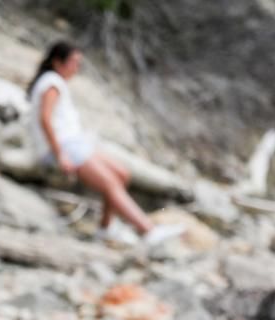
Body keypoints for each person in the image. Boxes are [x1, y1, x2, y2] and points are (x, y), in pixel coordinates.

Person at [27, 41, 183, 246]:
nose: (77, 67)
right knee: (110, 182)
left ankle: (106, 227)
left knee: (122, 174)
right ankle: (147, 230)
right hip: (64, 146)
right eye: (73, 62)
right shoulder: (52, 84)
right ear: (58, 62)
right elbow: (45, 119)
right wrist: (59, 154)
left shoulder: (53, 82)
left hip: (73, 142)